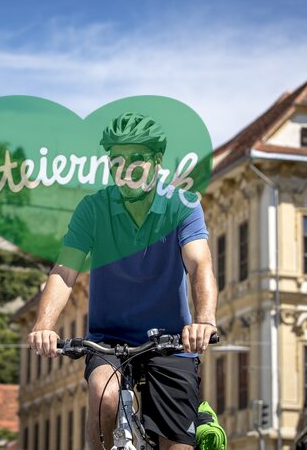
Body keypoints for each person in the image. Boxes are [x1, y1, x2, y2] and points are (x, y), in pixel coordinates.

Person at [27, 112, 218, 449]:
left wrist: (203, 321)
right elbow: (65, 271)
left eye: (137, 158)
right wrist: (44, 324)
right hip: (108, 340)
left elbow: (199, 263)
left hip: (171, 340)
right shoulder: (93, 209)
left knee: (177, 446)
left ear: (157, 161)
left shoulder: (183, 206)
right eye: (117, 159)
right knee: (104, 393)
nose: (126, 167)